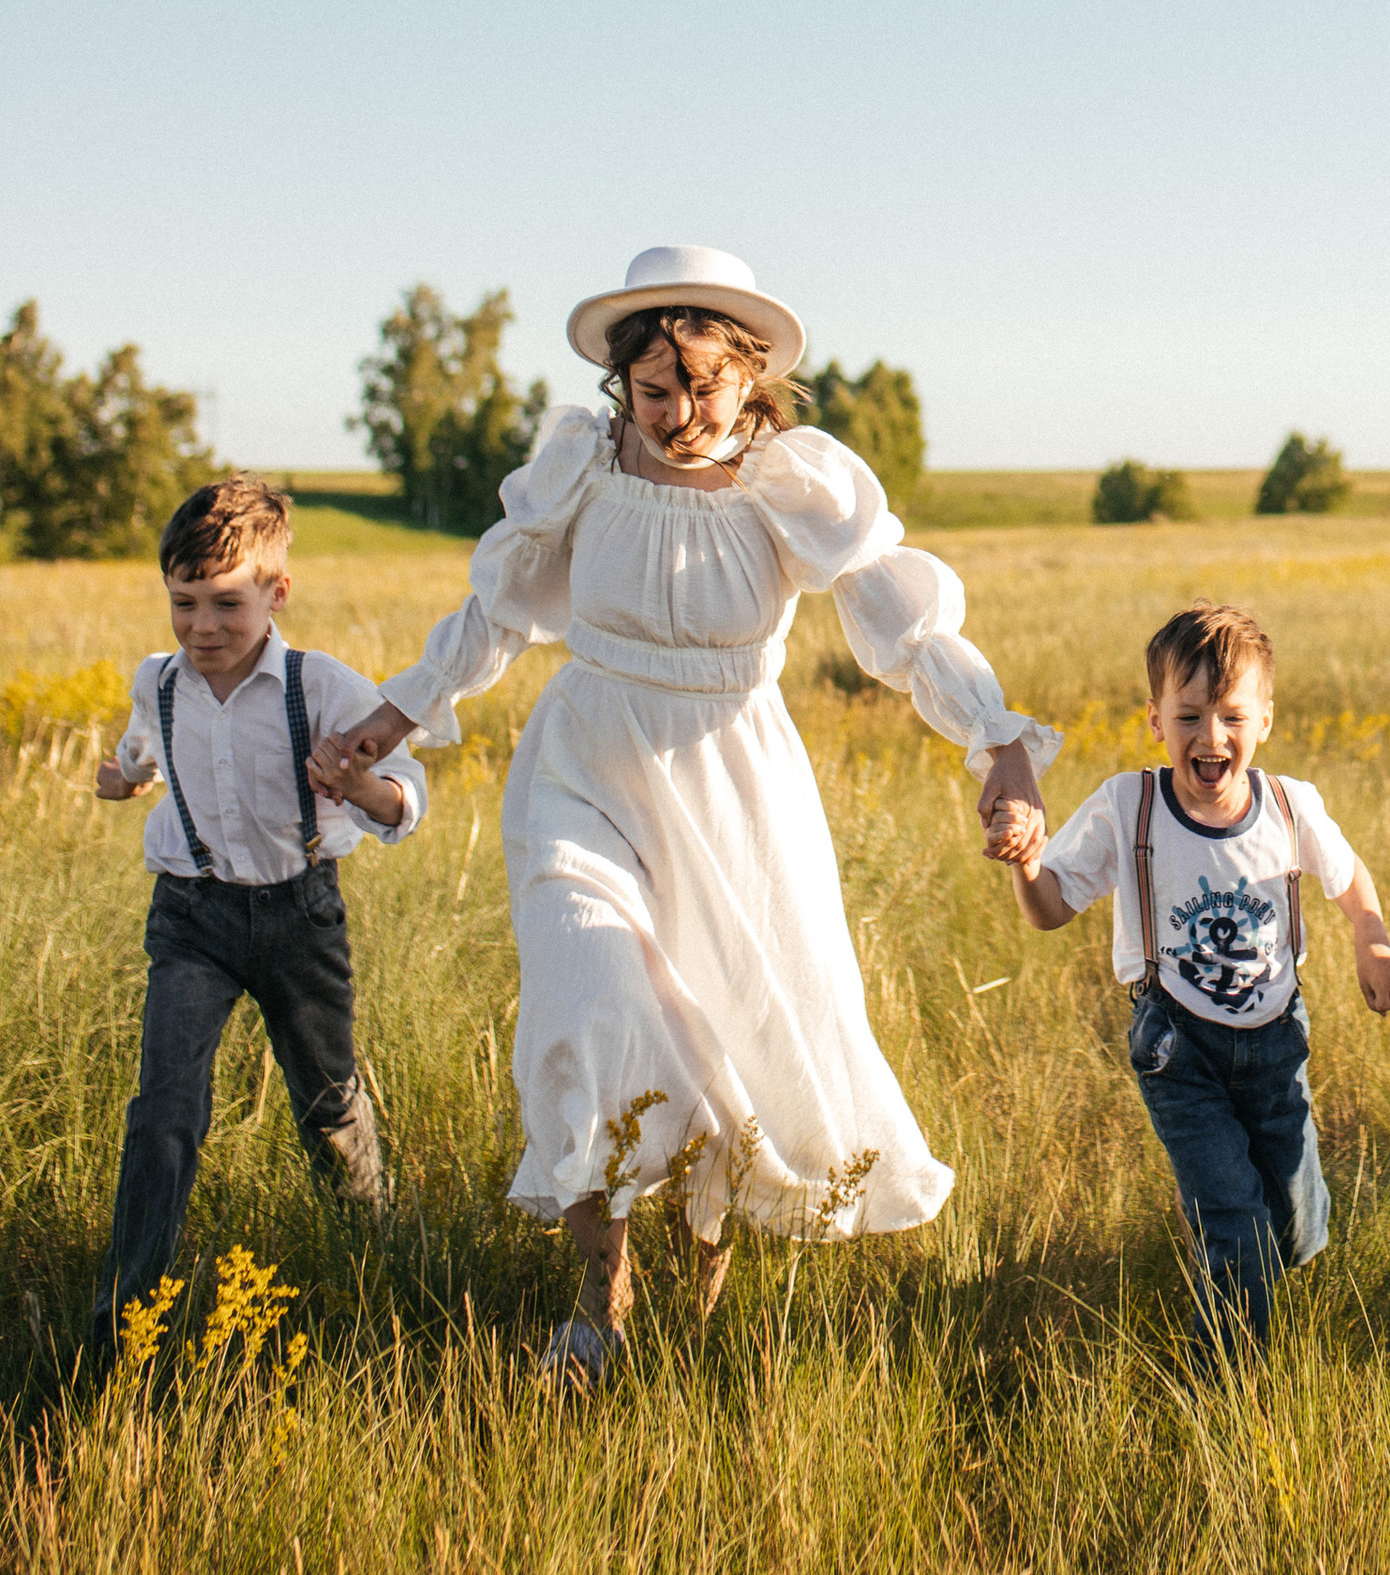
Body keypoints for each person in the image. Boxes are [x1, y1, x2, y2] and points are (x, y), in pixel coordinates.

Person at [311, 244, 1055, 1389]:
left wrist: (997, 741)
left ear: (749, 375)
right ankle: (598, 1305)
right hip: (584, 767)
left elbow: (903, 628)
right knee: (589, 998)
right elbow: (498, 611)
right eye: (652, 391)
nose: (675, 414)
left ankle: (698, 1303)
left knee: (730, 1030)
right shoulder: (581, 464)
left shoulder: (792, 482)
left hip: (732, 786)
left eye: (700, 387)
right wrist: (393, 718)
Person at [996, 601, 1390, 1354]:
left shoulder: (1291, 806)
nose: (1210, 738)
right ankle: (1222, 1379)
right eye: (1188, 717)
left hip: (1277, 1043)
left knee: (1295, 1229)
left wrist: (1371, 942)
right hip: (1178, 1049)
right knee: (1240, 1234)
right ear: (1155, 718)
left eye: (1231, 717)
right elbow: (1050, 909)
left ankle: (1227, 1224)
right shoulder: (1131, 806)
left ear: (1266, 721)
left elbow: (1352, 882)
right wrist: (1027, 864)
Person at [86, 477, 425, 1371]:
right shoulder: (157, 684)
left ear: (276, 593)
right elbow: (142, 753)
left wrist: (360, 788)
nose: (202, 626)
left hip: (297, 916)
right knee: (165, 1107)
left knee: (326, 1103)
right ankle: (127, 1322)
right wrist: (122, 782)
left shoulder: (318, 684)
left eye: (225, 603)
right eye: (183, 603)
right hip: (191, 917)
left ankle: (371, 1264)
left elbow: (406, 799)